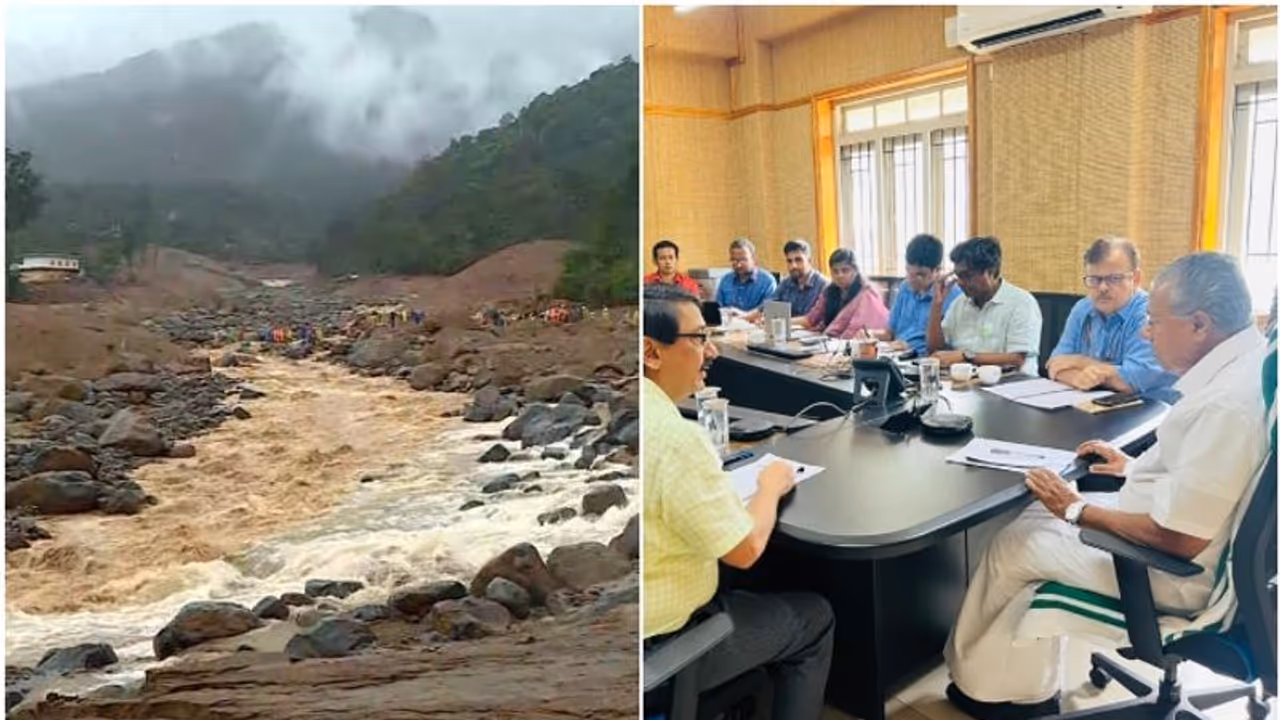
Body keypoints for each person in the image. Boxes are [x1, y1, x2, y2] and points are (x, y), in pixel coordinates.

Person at [944, 253, 1271, 720]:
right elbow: (1202, 477)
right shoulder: (1249, 368)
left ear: (1199, 325)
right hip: (1190, 542)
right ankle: (1019, 684)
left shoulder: (1225, 407)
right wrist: (1132, 468)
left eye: (1155, 322)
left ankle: (993, 694)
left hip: (1174, 572)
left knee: (1015, 543)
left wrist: (1078, 510)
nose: (1145, 331)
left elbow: (1180, 537)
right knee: (1034, 519)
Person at [643, 283, 834, 719]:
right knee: (815, 618)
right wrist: (770, 486)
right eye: (699, 339)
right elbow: (744, 551)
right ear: (651, 352)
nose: (711, 352)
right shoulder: (674, 439)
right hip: (665, 653)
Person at [1047, 237, 1177, 398]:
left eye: (1114, 279)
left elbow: (1133, 381)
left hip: (1148, 410)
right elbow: (1055, 364)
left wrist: (1080, 362)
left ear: (1135, 279)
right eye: (1094, 279)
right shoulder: (1083, 308)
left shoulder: (1149, 313)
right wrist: (1081, 379)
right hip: (1095, 403)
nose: (1102, 288)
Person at [927, 236, 1043, 375]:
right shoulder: (960, 303)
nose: (960, 283)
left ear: (991, 271)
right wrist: (937, 304)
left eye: (967, 276)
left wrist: (965, 356)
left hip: (1012, 384)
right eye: (958, 276)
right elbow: (935, 349)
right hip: (968, 385)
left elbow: (1016, 359)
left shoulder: (1022, 303)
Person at [876, 234, 962, 355]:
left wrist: (911, 348)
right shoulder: (905, 287)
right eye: (909, 272)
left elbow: (945, 347)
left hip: (924, 360)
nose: (912, 279)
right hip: (895, 354)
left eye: (920, 275)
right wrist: (869, 335)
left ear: (937, 270)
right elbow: (890, 333)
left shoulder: (952, 295)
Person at [797, 248, 889, 339]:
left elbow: (855, 330)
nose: (840, 275)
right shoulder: (829, 290)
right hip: (829, 342)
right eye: (835, 271)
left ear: (855, 270)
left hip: (853, 345)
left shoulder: (867, 293)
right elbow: (811, 319)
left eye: (845, 270)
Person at [715, 237, 778, 312]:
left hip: (756, 323)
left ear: (754, 259)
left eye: (743, 260)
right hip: (729, 322)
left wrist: (743, 316)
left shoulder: (767, 282)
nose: (738, 265)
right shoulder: (726, 280)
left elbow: (769, 311)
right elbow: (718, 309)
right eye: (734, 260)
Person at [771, 239, 829, 316]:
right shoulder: (785, 283)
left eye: (798, 260)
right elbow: (767, 308)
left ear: (809, 261)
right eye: (789, 261)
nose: (793, 266)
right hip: (788, 327)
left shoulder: (823, 285)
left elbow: (813, 320)